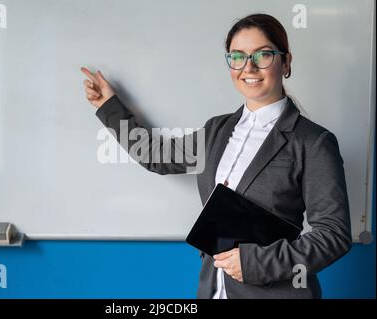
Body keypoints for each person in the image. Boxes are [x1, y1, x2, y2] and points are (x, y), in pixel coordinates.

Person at [80, 13, 352, 299]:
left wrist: (255, 263)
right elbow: (155, 156)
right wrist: (109, 106)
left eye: (263, 55)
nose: (249, 67)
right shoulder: (217, 131)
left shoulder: (313, 142)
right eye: (237, 56)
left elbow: (333, 234)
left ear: (285, 63)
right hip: (213, 290)